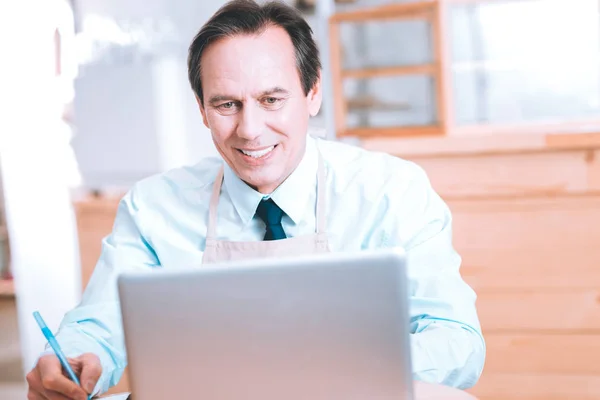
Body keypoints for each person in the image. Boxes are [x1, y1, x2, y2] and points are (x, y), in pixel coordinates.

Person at [26, 1, 485, 398]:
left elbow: (457, 341)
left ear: (313, 92)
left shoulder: (392, 191)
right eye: (227, 104)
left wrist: (318, 371)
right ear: (202, 109)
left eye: (271, 99)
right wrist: (71, 358)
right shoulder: (152, 207)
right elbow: (99, 324)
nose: (249, 129)